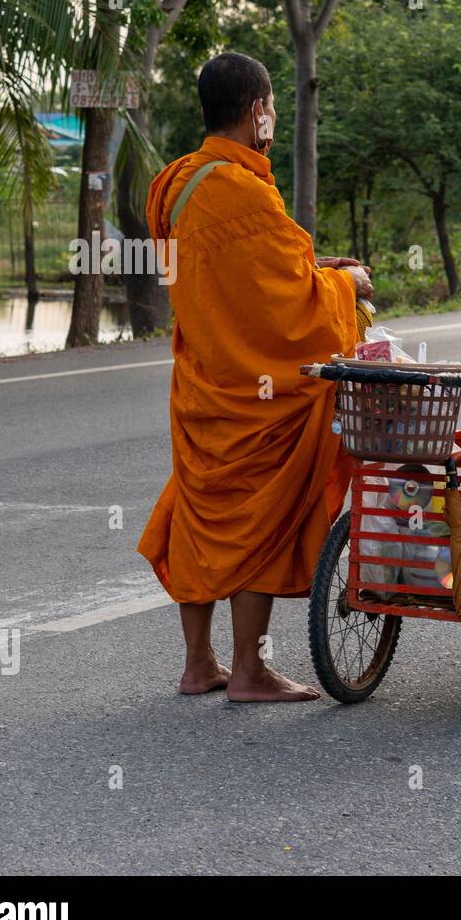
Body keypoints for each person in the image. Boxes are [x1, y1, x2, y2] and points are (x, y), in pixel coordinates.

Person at [138, 52, 370, 702]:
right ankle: (249, 671)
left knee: (198, 512)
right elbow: (290, 306)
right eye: (271, 106)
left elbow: (248, 278)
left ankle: (197, 665)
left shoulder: (177, 183)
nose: (272, 117)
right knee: (259, 520)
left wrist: (318, 267)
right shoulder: (239, 189)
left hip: (203, 383)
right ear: (257, 110)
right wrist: (344, 286)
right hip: (256, 396)